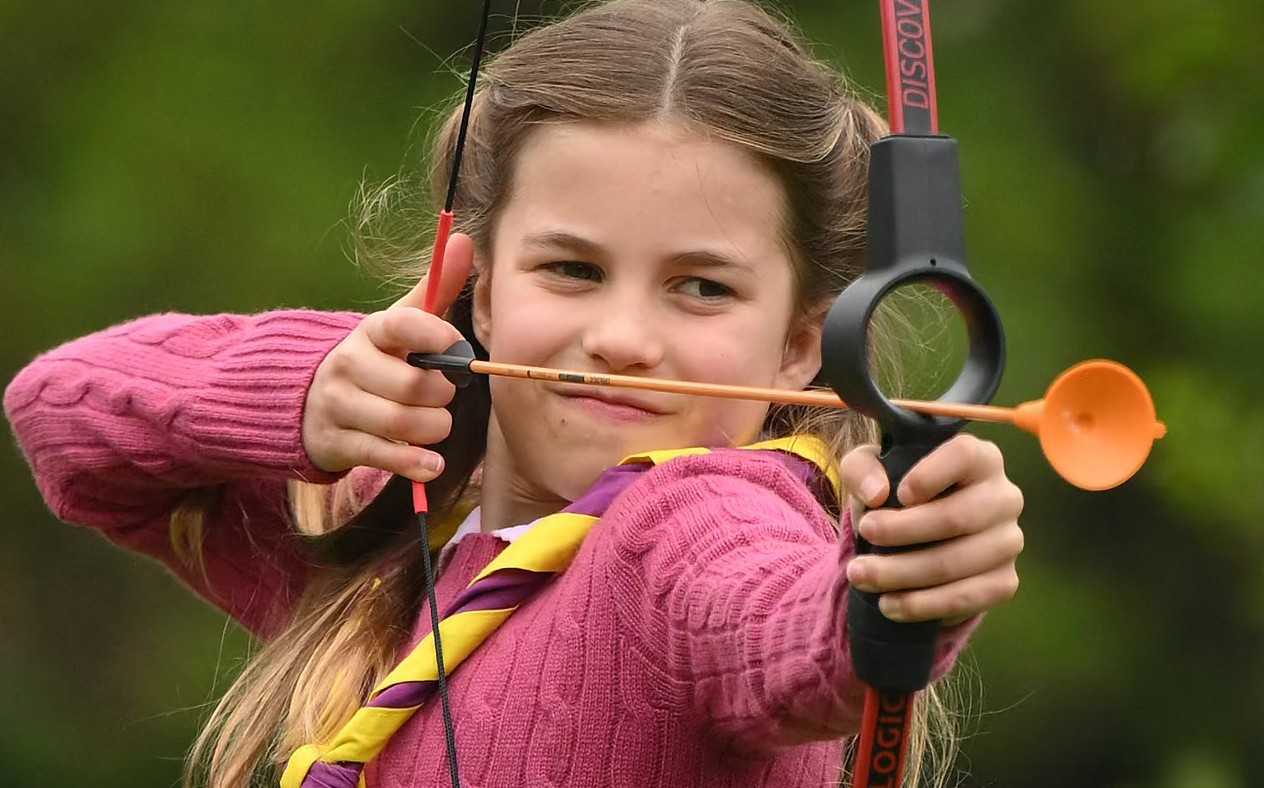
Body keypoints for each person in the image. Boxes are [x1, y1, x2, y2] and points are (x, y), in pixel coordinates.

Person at [3, 1, 1025, 786]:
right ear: (477, 286)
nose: (620, 338)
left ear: (801, 343)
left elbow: (789, 633)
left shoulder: (694, 518)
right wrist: (309, 389)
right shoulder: (390, 526)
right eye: (570, 269)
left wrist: (898, 578)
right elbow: (64, 415)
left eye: (700, 286)